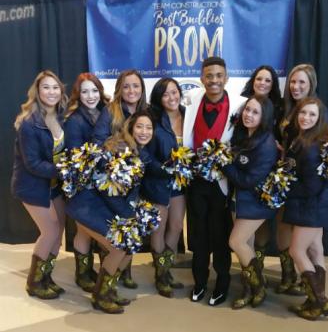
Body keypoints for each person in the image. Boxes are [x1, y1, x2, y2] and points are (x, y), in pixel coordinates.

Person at [65, 111, 154, 313]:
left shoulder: (140, 151)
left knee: (130, 245)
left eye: (149, 128)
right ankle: (101, 295)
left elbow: (131, 190)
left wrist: (134, 214)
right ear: (130, 128)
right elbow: (109, 191)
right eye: (139, 126)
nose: (144, 131)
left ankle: (108, 288)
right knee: (120, 245)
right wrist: (129, 217)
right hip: (88, 204)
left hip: (103, 204)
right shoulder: (121, 149)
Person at [183, 56, 247, 306]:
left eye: (219, 75)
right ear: (202, 78)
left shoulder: (240, 107)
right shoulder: (191, 102)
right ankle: (199, 282)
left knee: (220, 237)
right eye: (209, 75)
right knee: (198, 236)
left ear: (227, 78)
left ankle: (222, 284)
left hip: (222, 183)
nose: (214, 81)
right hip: (196, 182)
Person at [11, 70, 68, 299]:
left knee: (60, 229)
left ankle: (46, 276)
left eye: (55, 87)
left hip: (54, 184)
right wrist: (66, 170)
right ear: (37, 91)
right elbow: (33, 164)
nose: (51, 92)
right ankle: (34, 282)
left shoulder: (62, 116)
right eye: (46, 87)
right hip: (33, 185)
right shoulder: (29, 123)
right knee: (50, 230)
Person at [283, 97, 328, 320]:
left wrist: (285, 187)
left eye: (311, 115)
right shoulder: (308, 138)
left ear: (319, 119)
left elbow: (310, 186)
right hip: (322, 204)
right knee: (316, 249)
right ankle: (315, 299)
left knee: (296, 251)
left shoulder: (312, 147)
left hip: (313, 205)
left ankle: (319, 301)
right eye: (302, 113)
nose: (305, 118)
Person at [222, 96, 278, 309]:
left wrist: (225, 165)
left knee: (236, 242)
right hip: (240, 199)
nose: (248, 115)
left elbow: (248, 180)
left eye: (255, 112)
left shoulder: (266, 144)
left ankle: (259, 286)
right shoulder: (242, 135)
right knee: (247, 244)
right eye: (247, 110)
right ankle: (248, 289)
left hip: (256, 202)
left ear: (264, 117)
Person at [93, 69, 147, 289]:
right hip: (113, 180)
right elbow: (96, 142)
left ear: (142, 89)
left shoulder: (147, 111)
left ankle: (125, 271)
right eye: (126, 86)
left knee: (131, 223)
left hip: (137, 178)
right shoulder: (110, 111)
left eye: (135, 86)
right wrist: (113, 146)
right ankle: (107, 276)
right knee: (113, 227)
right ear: (119, 89)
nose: (131, 90)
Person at [64, 73, 110, 292]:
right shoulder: (74, 121)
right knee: (83, 231)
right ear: (78, 95)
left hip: (105, 183)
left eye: (94, 91)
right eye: (85, 91)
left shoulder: (107, 112)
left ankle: (99, 270)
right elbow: (76, 158)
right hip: (83, 184)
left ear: (100, 92)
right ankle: (82, 273)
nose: (90, 96)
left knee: (101, 229)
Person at [275, 64, 318, 295]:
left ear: (311, 84)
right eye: (292, 81)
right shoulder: (287, 109)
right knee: (282, 227)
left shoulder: (314, 111)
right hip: (285, 179)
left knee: (308, 240)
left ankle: (310, 286)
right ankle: (288, 275)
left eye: (301, 82)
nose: (296, 86)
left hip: (305, 184)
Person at [141, 78, 186, 298]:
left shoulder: (188, 114)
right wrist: (163, 169)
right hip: (157, 180)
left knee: (177, 226)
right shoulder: (152, 118)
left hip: (180, 182)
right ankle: (161, 276)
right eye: (166, 94)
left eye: (175, 92)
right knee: (159, 228)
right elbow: (144, 153)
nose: (172, 97)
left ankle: (166, 269)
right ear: (159, 98)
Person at [240, 65, 283, 269]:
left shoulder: (280, 107)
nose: (263, 83)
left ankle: (260, 267)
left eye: (268, 80)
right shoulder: (241, 103)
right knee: (241, 235)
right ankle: (251, 272)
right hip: (245, 171)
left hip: (267, 176)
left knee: (263, 224)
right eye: (259, 79)